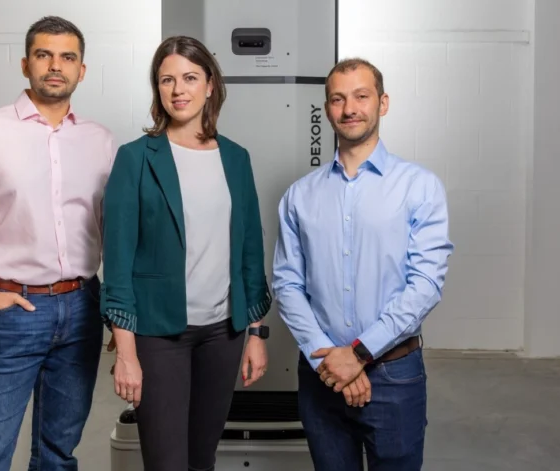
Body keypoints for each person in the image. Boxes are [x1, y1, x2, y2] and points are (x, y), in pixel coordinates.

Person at [0, 16, 116, 471]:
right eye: (44, 55)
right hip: (13, 312)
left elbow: (113, 229)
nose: (56, 66)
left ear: (82, 70)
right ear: (26, 64)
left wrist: (117, 308)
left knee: (58, 455)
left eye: (67, 57)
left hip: (83, 309)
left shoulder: (101, 141)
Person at [100, 35, 272, 471]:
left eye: (190, 78)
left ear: (210, 85)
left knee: (202, 459)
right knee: (167, 463)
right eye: (167, 80)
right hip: (158, 335)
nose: (178, 90)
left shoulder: (236, 158)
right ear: (157, 88)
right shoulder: (135, 159)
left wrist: (256, 333)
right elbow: (117, 265)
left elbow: (250, 252)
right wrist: (126, 353)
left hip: (223, 334)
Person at [272, 57, 453, 470]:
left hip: (393, 377)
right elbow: (287, 284)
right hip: (321, 377)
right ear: (326, 109)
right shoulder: (299, 196)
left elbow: (425, 286)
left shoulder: (419, 187)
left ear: (382, 103)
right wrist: (327, 360)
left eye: (361, 96)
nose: (349, 108)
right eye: (338, 99)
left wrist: (358, 354)